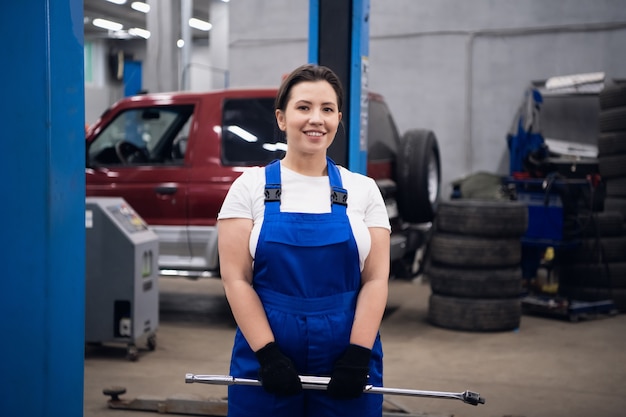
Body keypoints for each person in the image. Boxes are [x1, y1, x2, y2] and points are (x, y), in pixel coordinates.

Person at [217, 63, 391, 417]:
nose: (316, 119)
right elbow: (236, 278)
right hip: (266, 345)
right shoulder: (249, 188)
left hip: (347, 348)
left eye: (327, 109)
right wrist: (267, 354)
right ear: (282, 118)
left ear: (339, 118)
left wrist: (358, 354)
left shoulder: (363, 190)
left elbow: (376, 278)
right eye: (303, 107)